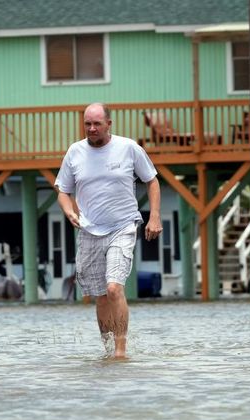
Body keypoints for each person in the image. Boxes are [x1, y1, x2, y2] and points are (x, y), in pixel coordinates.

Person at [55, 103, 162, 358]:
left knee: (114, 288)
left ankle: (120, 351)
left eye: (97, 124)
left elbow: (152, 180)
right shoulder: (75, 152)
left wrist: (154, 217)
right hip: (89, 229)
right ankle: (107, 349)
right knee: (100, 295)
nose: (92, 129)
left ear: (109, 124)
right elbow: (62, 190)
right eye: (87, 124)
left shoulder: (128, 148)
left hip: (122, 226)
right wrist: (69, 209)